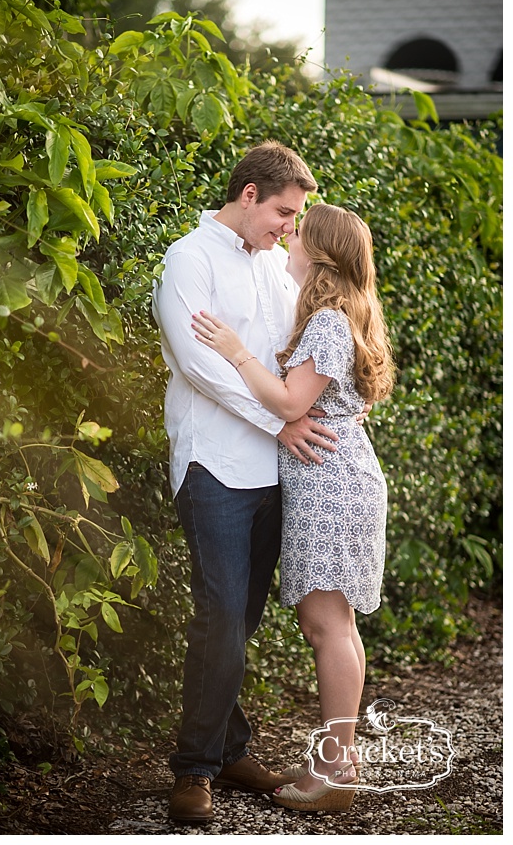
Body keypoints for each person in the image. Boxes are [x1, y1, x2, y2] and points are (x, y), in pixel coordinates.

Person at [152, 141, 341, 824]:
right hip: (215, 468)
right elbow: (202, 366)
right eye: (284, 212)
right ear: (251, 194)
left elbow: (303, 357)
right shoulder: (188, 259)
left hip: (275, 473)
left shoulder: (280, 270)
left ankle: (229, 751)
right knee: (222, 616)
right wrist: (278, 423)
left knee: (241, 621)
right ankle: (195, 770)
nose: (290, 226)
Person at [192, 202, 394, 812]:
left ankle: (333, 771)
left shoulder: (330, 322)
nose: (289, 239)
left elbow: (286, 403)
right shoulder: (346, 314)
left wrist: (233, 349)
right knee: (336, 626)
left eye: (299, 234)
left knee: (327, 627)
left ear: (319, 255)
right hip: (339, 480)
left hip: (332, 488)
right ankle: (343, 765)